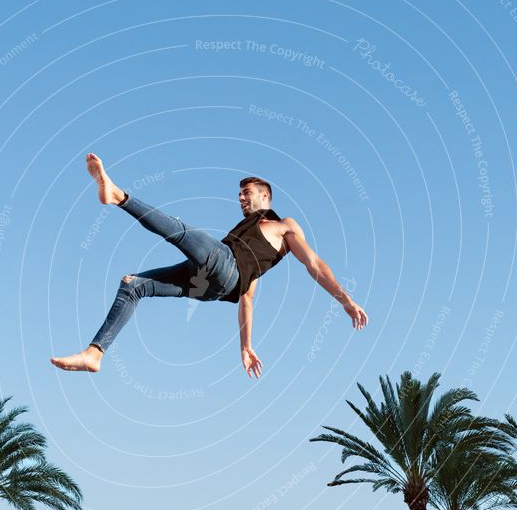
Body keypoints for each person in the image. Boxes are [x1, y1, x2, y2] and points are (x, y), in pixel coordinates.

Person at [50, 153, 368, 378]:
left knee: (182, 232)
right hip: (217, 285)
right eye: (240, 195)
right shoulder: (247, 240)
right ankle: (95, 354)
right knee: (133, 284)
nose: (241, 199)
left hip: (223, 269)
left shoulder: (284, 225)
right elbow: (247, 297)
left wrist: (346, 300)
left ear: (265, 196)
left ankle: (118, 196)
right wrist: (246, 347)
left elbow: (313, 263)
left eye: (247, 194)